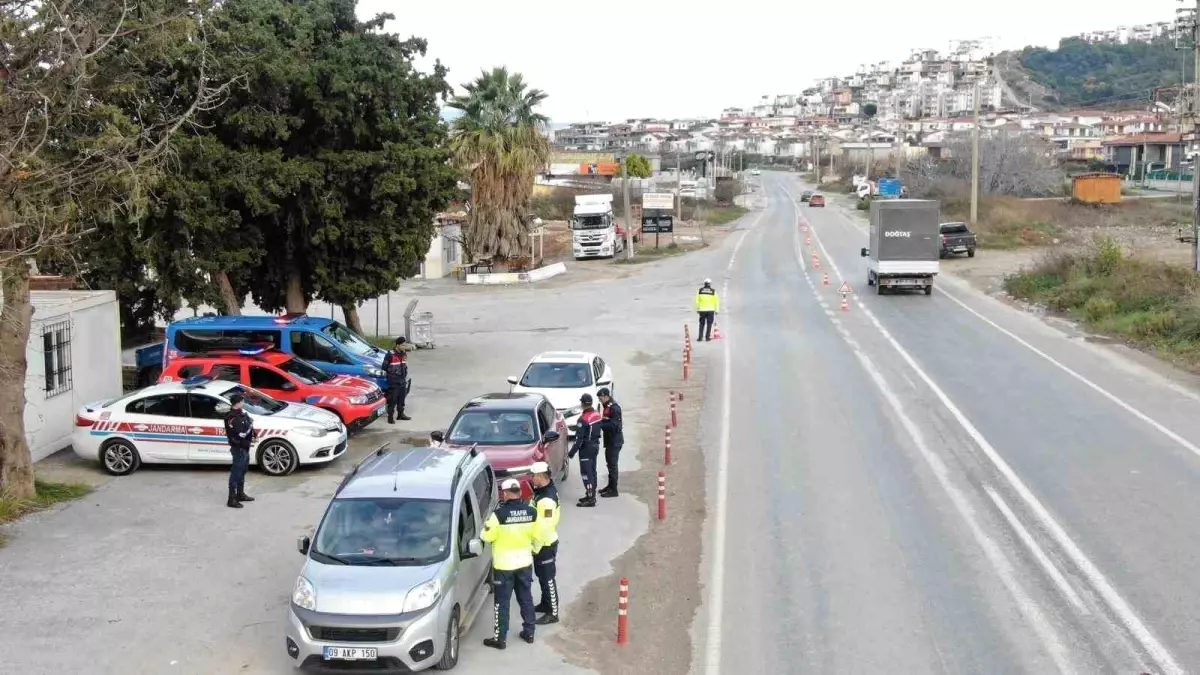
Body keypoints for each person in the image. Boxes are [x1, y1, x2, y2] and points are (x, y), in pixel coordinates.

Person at [481, 479, 540, 649]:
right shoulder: (532, 512)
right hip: (525, 563)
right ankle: (529, 632)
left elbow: (487, 537)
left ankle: (500, 639)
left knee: (502, 602)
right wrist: (533, 550)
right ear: (519, 493)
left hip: (504, 566)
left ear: (505, 494)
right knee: (526, 597)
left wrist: (486, 527)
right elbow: (538, 536)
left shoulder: (498, 515)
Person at [529, 461, 561, 624]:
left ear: (541, 477)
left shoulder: (546, 500)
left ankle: (553, 612)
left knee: (548, 578)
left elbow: (544, 526)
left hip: (545, 544)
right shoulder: (541, 492)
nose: (531, 479)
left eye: (533, 476)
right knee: (542, 577)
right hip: (541, 543)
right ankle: (545, 603)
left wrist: (535, 546)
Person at [567, 393, 602, 507]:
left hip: (586, 449)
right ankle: (590, 494)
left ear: (582, 403)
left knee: (586, 474)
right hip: (595, 446)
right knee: (592, 471)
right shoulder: (597, 414)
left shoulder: (583, 419)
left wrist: (571, 453)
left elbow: (579, 439)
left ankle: (591, 499)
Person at [223, 393, 254, 509]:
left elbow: (248, 427)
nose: (243, 402)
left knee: (242, 471)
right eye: (242, 401)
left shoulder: (241, 414)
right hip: (238, 449)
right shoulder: (231, 417)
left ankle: (240, 494)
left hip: (245, 448)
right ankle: (231, 499)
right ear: (238, 403)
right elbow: (239, 433)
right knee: (235, 473)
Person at [596, 388, 623, 498]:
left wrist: (600, 424)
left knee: (612, 465)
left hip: (614, 441)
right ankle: (610, 486)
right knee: (609, 464)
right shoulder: (607, 406)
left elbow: (614, 425)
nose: (600, 400)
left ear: (606, 396)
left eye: (600, 398)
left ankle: (614, 490)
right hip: (610, 441)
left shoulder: (614, 408)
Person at [382, 337, 410, 423]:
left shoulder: (404, 353)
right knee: (392, 400)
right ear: (397, 345)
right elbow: (384, 367)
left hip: (402, 380)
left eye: (405, 345)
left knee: (402, 399)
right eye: (402, 345)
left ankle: (400, 415)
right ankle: (390, 417)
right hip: (393, 381)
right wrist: (392, 374)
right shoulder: (390, 354)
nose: (404, 346)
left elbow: (404, 366)